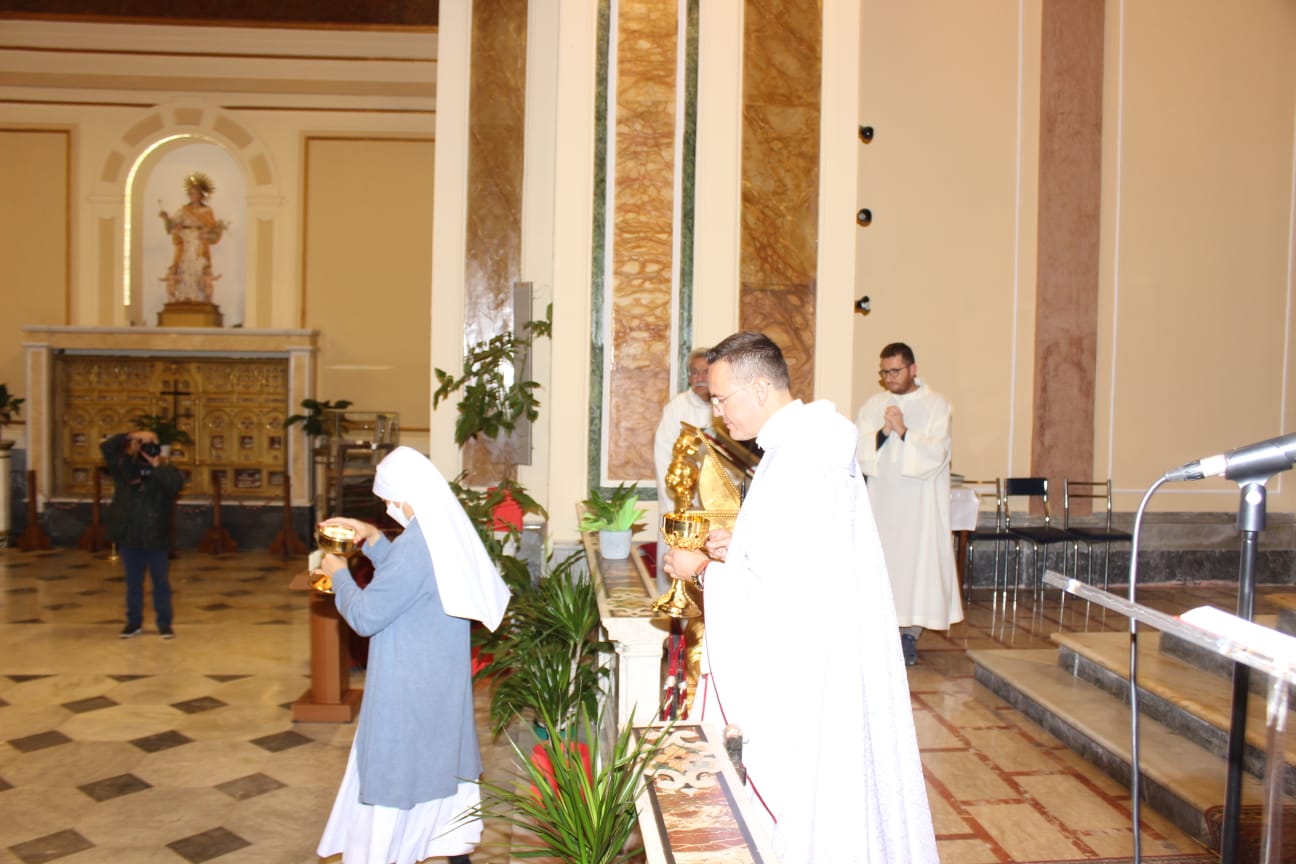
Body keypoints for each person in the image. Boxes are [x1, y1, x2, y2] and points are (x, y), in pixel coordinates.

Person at [663, 331, 938, 864]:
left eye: (722, 399)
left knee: (814, 820)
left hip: (810, 676)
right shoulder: (802, 445)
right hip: (824, 656)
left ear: (761, 387)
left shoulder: (799, 459)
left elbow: (778, 597)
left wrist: (699, 570)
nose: (717, 413)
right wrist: (739, 545)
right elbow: (797, 556)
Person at [315, 446, 510, 864]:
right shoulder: (437, 532)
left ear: (405, 497)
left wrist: (339, 576)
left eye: (388, 501)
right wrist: (372, 538)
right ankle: (456, 855)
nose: (388, 508)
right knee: (441, 772)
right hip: (436, 680)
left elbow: (367, 616)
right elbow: (414, 583)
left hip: (407, 687)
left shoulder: (416, 547)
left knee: (397, 778)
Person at [855, 342, 962, 667]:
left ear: (912, 369)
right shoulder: (874, 405)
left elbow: (938, 453)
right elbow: (858, 451)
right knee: (883, 565)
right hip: (882, 503)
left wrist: (904, 431)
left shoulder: (935, 405)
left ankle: (909, 636)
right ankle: (881, 635)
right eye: (884, 372)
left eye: (895, 371)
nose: (889, 378)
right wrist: (883, 433)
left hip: (919, 507)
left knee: (915, 569)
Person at [101, 428, 184, 639]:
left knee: (160, 583)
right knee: (133, 583)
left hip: (156, 536)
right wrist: (130, 436)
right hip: (130, 535)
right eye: (143, 443)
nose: (147, 447)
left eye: (152, 443)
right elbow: (107, 449)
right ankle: (133, 623)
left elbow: (175, 486)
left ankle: (164, 624)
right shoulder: (124, 467)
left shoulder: (167, 470)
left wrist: (156, 464)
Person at [652, 347, 711, 586]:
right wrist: (681, 502)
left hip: (716, 507)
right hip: (683, 503)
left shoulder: (725, 407)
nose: (699, 378)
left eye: (706, 372)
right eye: (694, 373)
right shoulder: (677, 407)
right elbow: (663, 456)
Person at [158, 171, 228, 304]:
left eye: (194, 193)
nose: (191, 196)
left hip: (199, 244)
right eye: (189, 193)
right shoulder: (183, 210)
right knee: (185, 268)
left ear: (201, 195)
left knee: (198, 268)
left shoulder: (207, 211)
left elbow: (214, 230)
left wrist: (207, 232)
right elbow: (172, 226)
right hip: (185, 243)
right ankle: (185, 296)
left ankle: (198, 297)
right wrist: (166, 218)